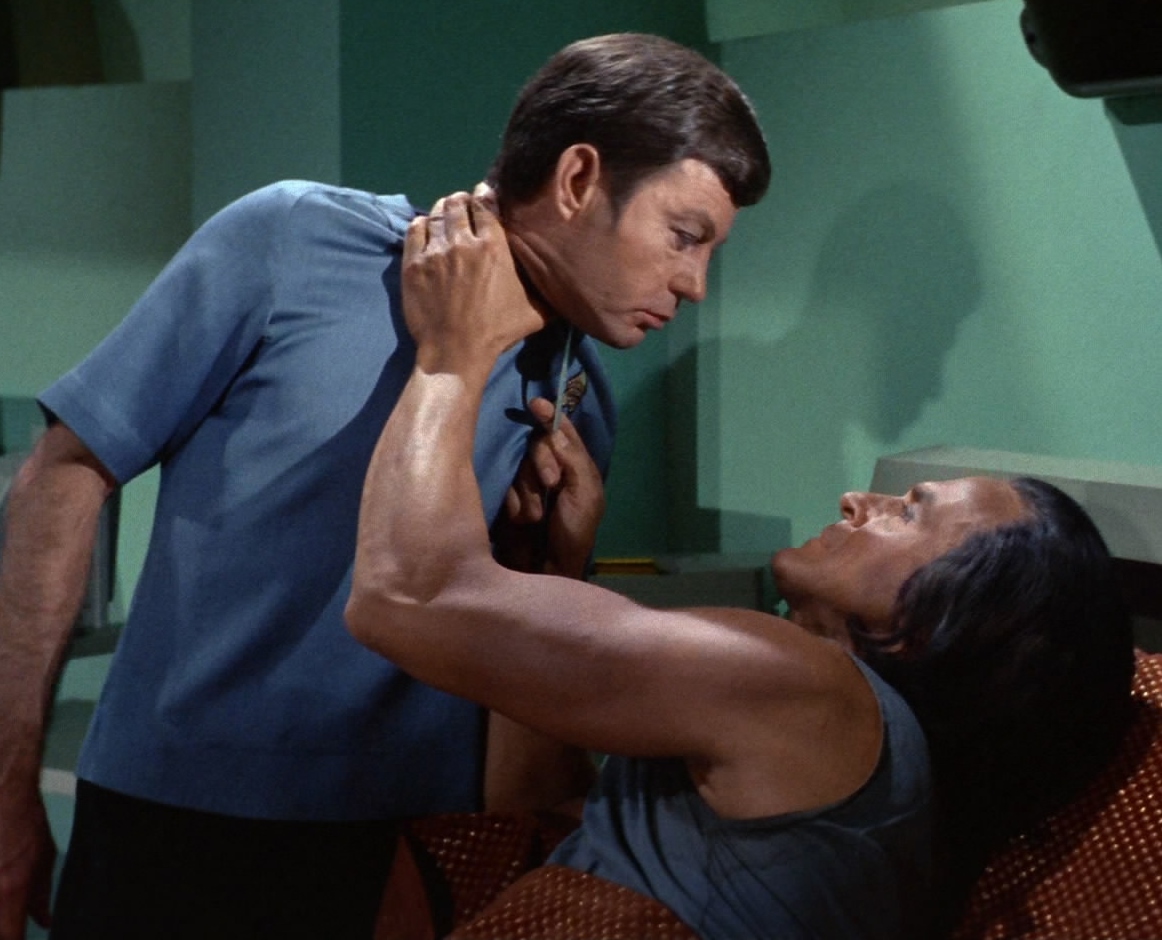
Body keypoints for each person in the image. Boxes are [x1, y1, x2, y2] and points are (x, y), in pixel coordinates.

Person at [0, 33, 771, 940]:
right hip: (171, 827)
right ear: (576, 180)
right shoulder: (291, 238)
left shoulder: (575, 402)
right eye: (684, 236)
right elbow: (64, 474)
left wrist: (560, 565)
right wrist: (7, 790)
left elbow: (521, 727)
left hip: (414, 857)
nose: (695, 284)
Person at [345, 192, 1136, 940]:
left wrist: (451, 355)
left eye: (909, 513)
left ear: (941, 624)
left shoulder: (811, 690)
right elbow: (544, 801)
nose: (859, 500)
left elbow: (404, 597)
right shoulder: (877, 782)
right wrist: (551, 564)